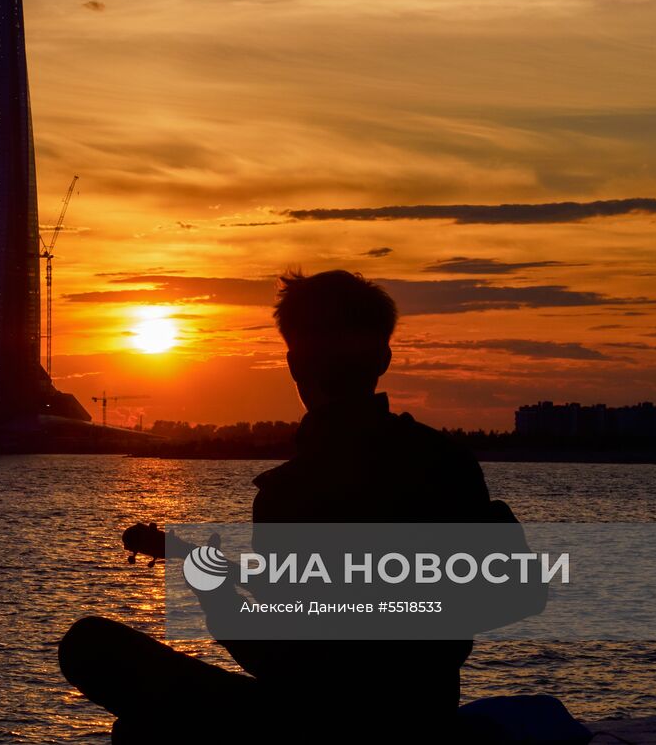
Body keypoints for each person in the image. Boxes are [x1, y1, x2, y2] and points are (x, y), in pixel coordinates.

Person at [59, 270, 521, 743]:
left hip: (320, 726)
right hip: (425, 717)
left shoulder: (292, 493)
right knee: (142, 728)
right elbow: (513, 595)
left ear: (295, 363)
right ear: (383, 357)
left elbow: (283, 665)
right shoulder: (447, 461)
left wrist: (214, 591)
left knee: (91, 649)